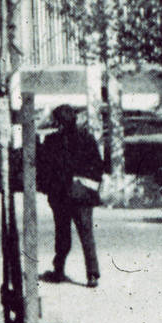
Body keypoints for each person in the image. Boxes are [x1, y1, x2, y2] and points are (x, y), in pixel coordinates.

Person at [36, 105, 103, 287]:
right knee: (86, 234)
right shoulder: (86, 138)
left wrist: (47, 188)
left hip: (60, 195)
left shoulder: (51, 140)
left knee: (62, 234)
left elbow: (44, 168)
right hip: (81, 195)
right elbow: (98, 166)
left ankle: (59, 271)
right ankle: (92, 274)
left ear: (58, 121)